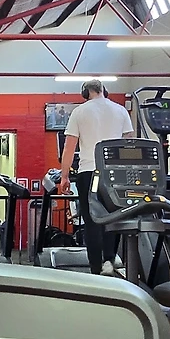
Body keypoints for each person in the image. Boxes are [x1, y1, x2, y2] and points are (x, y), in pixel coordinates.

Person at [57, 81, 134, 275]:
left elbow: (69, 147)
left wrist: (64, 176)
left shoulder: (79, 112)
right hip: (114, 173)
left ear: (86, 93)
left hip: (88, 172)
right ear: (104, 91)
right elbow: (129, 144)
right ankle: (109, 259)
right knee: (113, 217)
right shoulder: (120, 110)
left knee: (92, 221)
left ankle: (95, 268)